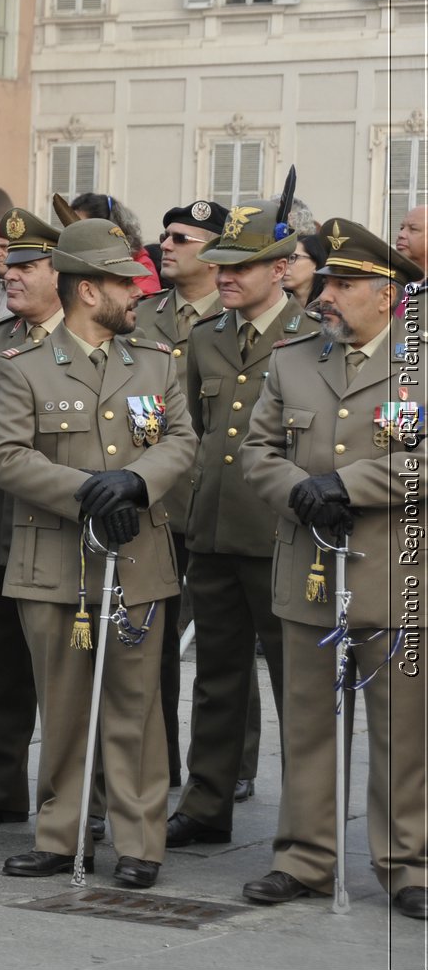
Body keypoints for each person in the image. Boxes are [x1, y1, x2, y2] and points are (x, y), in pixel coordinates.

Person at [0, 219, 196, 889]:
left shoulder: (157, 363)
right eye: (123, 282)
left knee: (137, 707)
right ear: (86, 290)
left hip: (138, 564)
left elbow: (181, 440)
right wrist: (88, 490)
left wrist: (134, 481)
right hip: (55, 566)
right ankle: (60, 832)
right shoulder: (26, 368)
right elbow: (6, 457)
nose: (139, 292)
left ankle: (140, 839)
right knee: (65, 707)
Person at [239, 218, 425, 920]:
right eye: (329, 282)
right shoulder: (291, 360)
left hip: (398, 573)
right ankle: (304, 856)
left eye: (345, 285)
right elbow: (256, 450)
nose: (329, 296)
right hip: (311, 567)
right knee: (310, 724)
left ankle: (409, 862)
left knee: (403, 732)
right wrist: (302, 492)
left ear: (387, 294)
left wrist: (349, 485)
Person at [167, 197, 316, 850]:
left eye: (242, 266)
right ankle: (206, 802)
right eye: (221, 264)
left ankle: (306, 822)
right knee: (218, 677)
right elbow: (198, 436)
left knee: (296, 689)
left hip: (280, 536)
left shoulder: (312, 338)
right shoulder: (207, 337)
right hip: (214, 531)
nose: (224, 275)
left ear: (280, 269)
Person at [133, 199, 229, 792]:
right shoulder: (144, 316)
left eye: (181, 238)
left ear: (216, 251)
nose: (164, 246)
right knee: (155, 643)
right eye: (164, 236)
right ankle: (161, 760)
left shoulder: (241, 316)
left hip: (221, 505)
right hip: (158, 502)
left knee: (223, 646)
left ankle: (228, 770)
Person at [0, 206, 64, 824]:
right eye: (9, 261)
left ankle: (70, 803)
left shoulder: (86, 341)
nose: (11, 272)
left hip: (57, 527)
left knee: (61, 677)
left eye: (29, 264)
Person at [69, 192, 161, 295]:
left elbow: (142, 307)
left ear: (109, 229)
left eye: (83, 230)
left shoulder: (142, 270)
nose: (74, 236)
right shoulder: (77, 263)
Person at [283, 234, 328, 309]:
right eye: (284, 259)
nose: (284, 265)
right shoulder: (277, 303)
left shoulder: (328, 305)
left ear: (316, 264)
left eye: (292, 257)